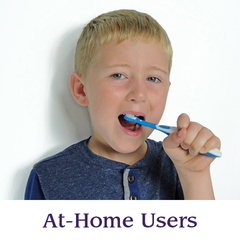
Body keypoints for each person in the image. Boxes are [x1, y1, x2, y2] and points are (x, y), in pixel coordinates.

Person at [24, 9, 221, 200]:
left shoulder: (180, 165)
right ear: (81, 90)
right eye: (118, 75)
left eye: (153, 78)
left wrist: (195, 175)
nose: (139, 93)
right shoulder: (49, 177)